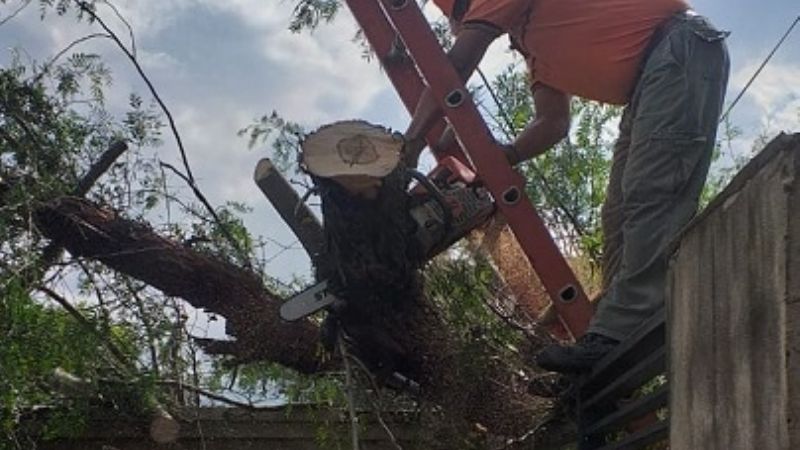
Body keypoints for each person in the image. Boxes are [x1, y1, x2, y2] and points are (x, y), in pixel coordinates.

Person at [403, 0, 730, 373]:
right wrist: (499, 159)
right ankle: (613, 338)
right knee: (618, 215)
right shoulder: (537, 51)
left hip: (679, 47)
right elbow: (553, 122)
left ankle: (618, 335)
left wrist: (410, 143)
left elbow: (457, 63)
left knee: (652, 193)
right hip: (650, 78)